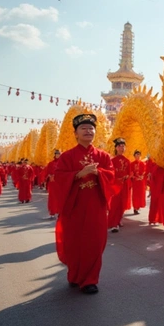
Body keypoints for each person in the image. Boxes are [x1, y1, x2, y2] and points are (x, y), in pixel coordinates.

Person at [54, 114, 115, 294]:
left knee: (94, 242)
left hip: (96, 206)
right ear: (75, 133)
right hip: (75, 206)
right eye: (83, 128)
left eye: (91, 128)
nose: (88, 131)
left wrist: (99, 173)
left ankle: (90, 279)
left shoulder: (103, 156)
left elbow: (111, 176)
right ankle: (75, 274)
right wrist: (78, 175)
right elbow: (58, 178)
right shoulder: (67, 156)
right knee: (74, 242)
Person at [108, 138, 130, 233]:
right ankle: (113, 223)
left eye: (123, 146)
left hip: (124, 185)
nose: (122, 148)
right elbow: (109, 174)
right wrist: (117, 179)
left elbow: (129, 173)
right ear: (116, 148)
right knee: (115, 204)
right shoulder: (112, 160)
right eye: (120, 146)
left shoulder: (127, 161)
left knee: (122, 203)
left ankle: (118, 219)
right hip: (115, 185)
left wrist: (127, 177)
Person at [42, 150, 61, 218]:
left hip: (60, 183)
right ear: (55, 155)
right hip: (52, 182)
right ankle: (52, 211)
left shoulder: (63, 163)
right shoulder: (51, 163)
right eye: (57, 154)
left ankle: (59, 211)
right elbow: (47, 172)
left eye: (59, 154)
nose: (58, 155)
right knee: (52, 197)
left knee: (60, 197)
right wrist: (50, 176)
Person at [130, 150, 146, 215]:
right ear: (134, 156)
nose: (138, 156)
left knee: (141, 194)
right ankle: (135, 208)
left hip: (141, 182)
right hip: (135, 182)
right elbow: (130, 172)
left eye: (139, 154)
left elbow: (145, 172)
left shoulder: (143, 163)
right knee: (135, 195)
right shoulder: (132, 164)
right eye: (136, 155)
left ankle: (138, 206)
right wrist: (134, 177)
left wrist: (142, 176)